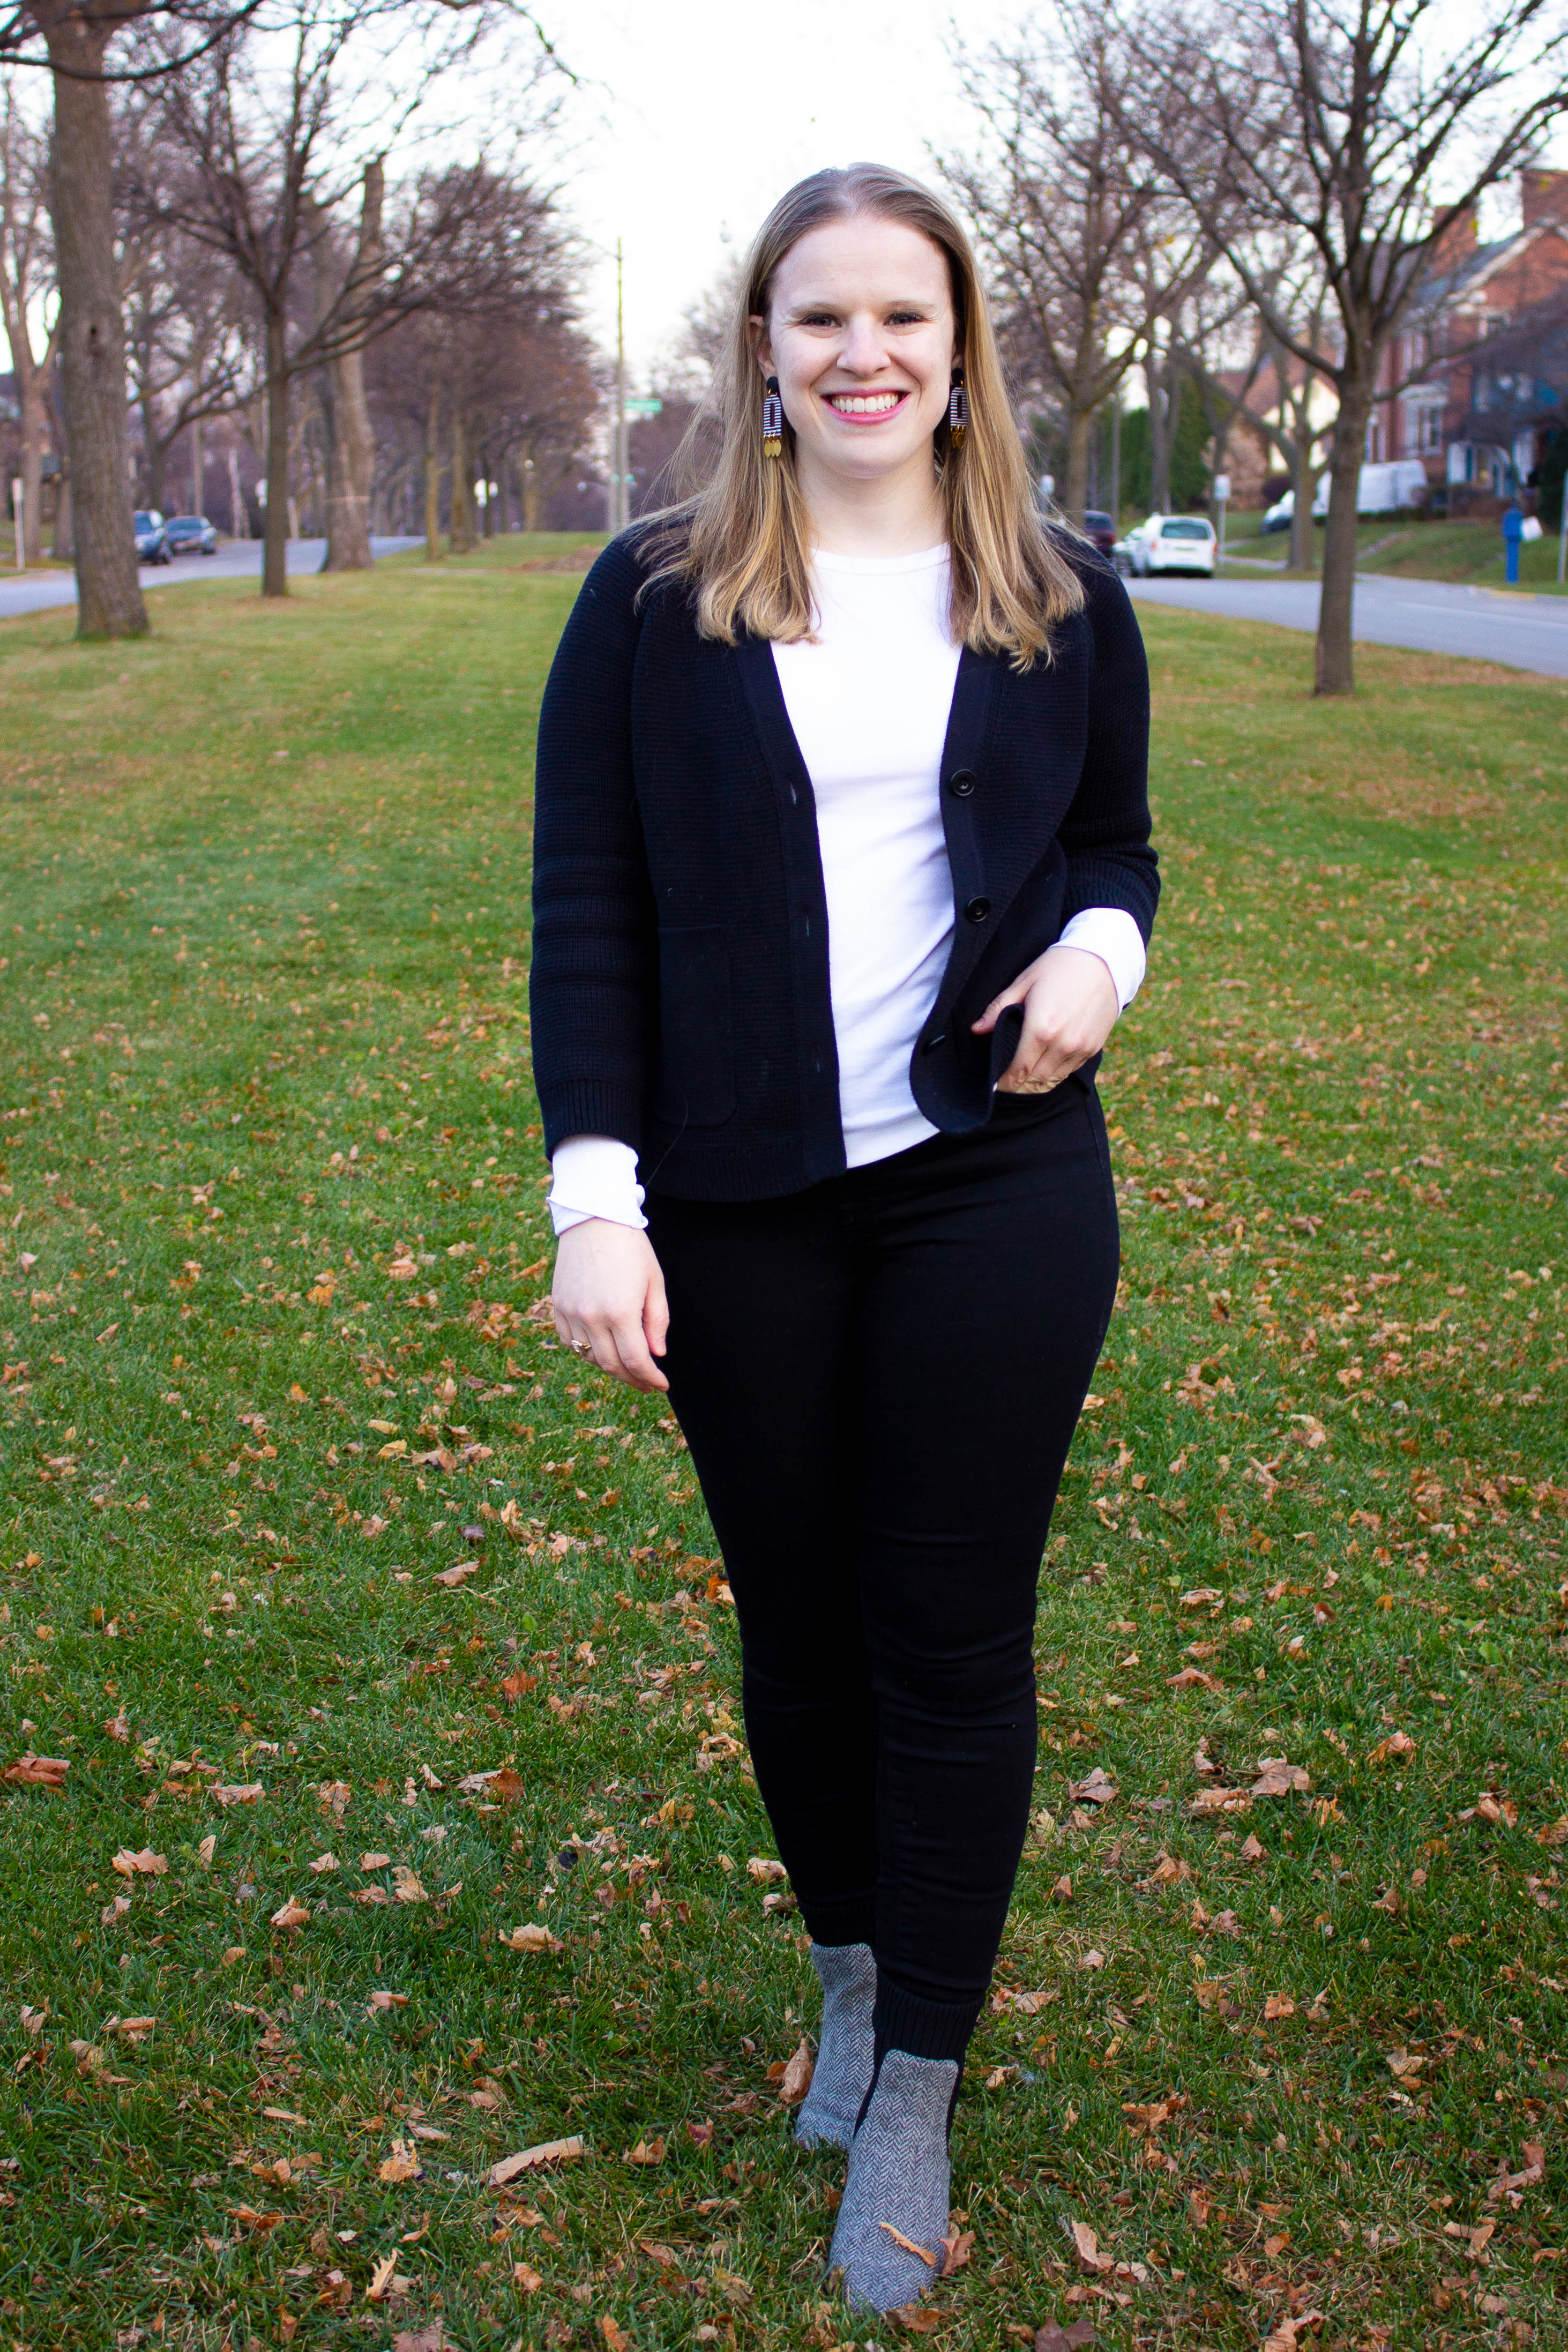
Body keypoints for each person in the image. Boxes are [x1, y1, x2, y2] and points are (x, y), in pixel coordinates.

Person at [531, 162, 1158, 2316]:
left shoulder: (1061, 589)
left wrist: (1100, 962)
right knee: (800, 1628)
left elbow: (1116, 849)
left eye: (906, 315)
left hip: (995, 1177)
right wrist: (594, 1197)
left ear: (963, 343)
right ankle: (852, 1970)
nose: (866, 353)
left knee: (952, 1638)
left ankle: (917, 2072)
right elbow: (588, 916)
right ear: (766, 358)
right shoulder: (647, 600)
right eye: (822, 321)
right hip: (736, 1193)